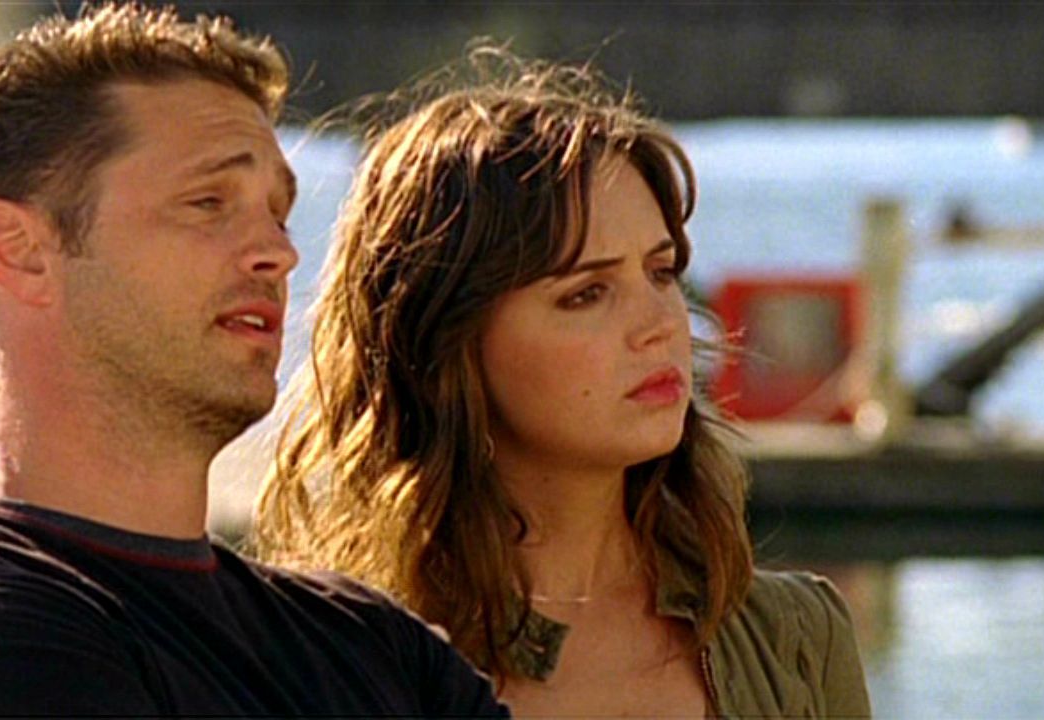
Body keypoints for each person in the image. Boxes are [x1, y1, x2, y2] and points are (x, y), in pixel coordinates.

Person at [0, 5, 506, 717]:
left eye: (277, 214)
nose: (279, 253)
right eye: (208, 202)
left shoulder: (373, 646)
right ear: (20, 252)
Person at [257, 50, 872, 717]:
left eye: (661, 273)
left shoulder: (793, 641)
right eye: (586, 294)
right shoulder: (333, 663)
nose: (660, 324)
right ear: (447, 339)